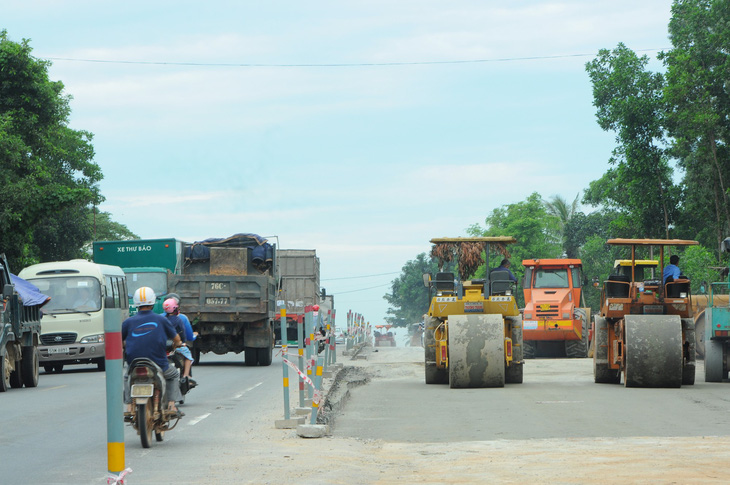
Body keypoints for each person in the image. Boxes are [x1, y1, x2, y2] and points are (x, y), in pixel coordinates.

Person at [122, 287, 184, 420]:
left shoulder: (128, 322)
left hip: (134, 363)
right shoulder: (161, 320)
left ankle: (128, 407)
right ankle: (172, 405)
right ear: (153, 302)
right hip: (159, 363)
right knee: (173, 375)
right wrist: (178, 344)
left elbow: (119, 342)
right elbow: (177, 339)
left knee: (127, 378)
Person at [163, 297, 197, 387]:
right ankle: (186, 376)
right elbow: (183, 334)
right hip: (175, 345)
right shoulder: (180, 319)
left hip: (163, 346)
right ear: (175, 308)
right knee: (188, 356)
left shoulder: (161, 318)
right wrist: (183, 342)